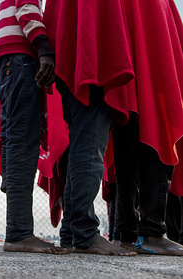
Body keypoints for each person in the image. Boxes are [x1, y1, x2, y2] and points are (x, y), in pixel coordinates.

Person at [43, 0, 137, 255]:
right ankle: (84, 233)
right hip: (88, 55)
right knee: (90, 144)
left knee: (81, 142)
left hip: (67, 49)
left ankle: (72, 232)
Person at [0, 0, 66, 254]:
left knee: (14, 139)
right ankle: (19, 232)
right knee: (23, 140)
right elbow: (26, 5)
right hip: (20, 54)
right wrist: (43, 45)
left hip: (6, 58)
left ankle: (17, 227)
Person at [110, 0, 183, 255]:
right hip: (151, 85)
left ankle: (126, 234)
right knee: (153, 149)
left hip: (125, 83)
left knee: (126, 156)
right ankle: (152, 232)